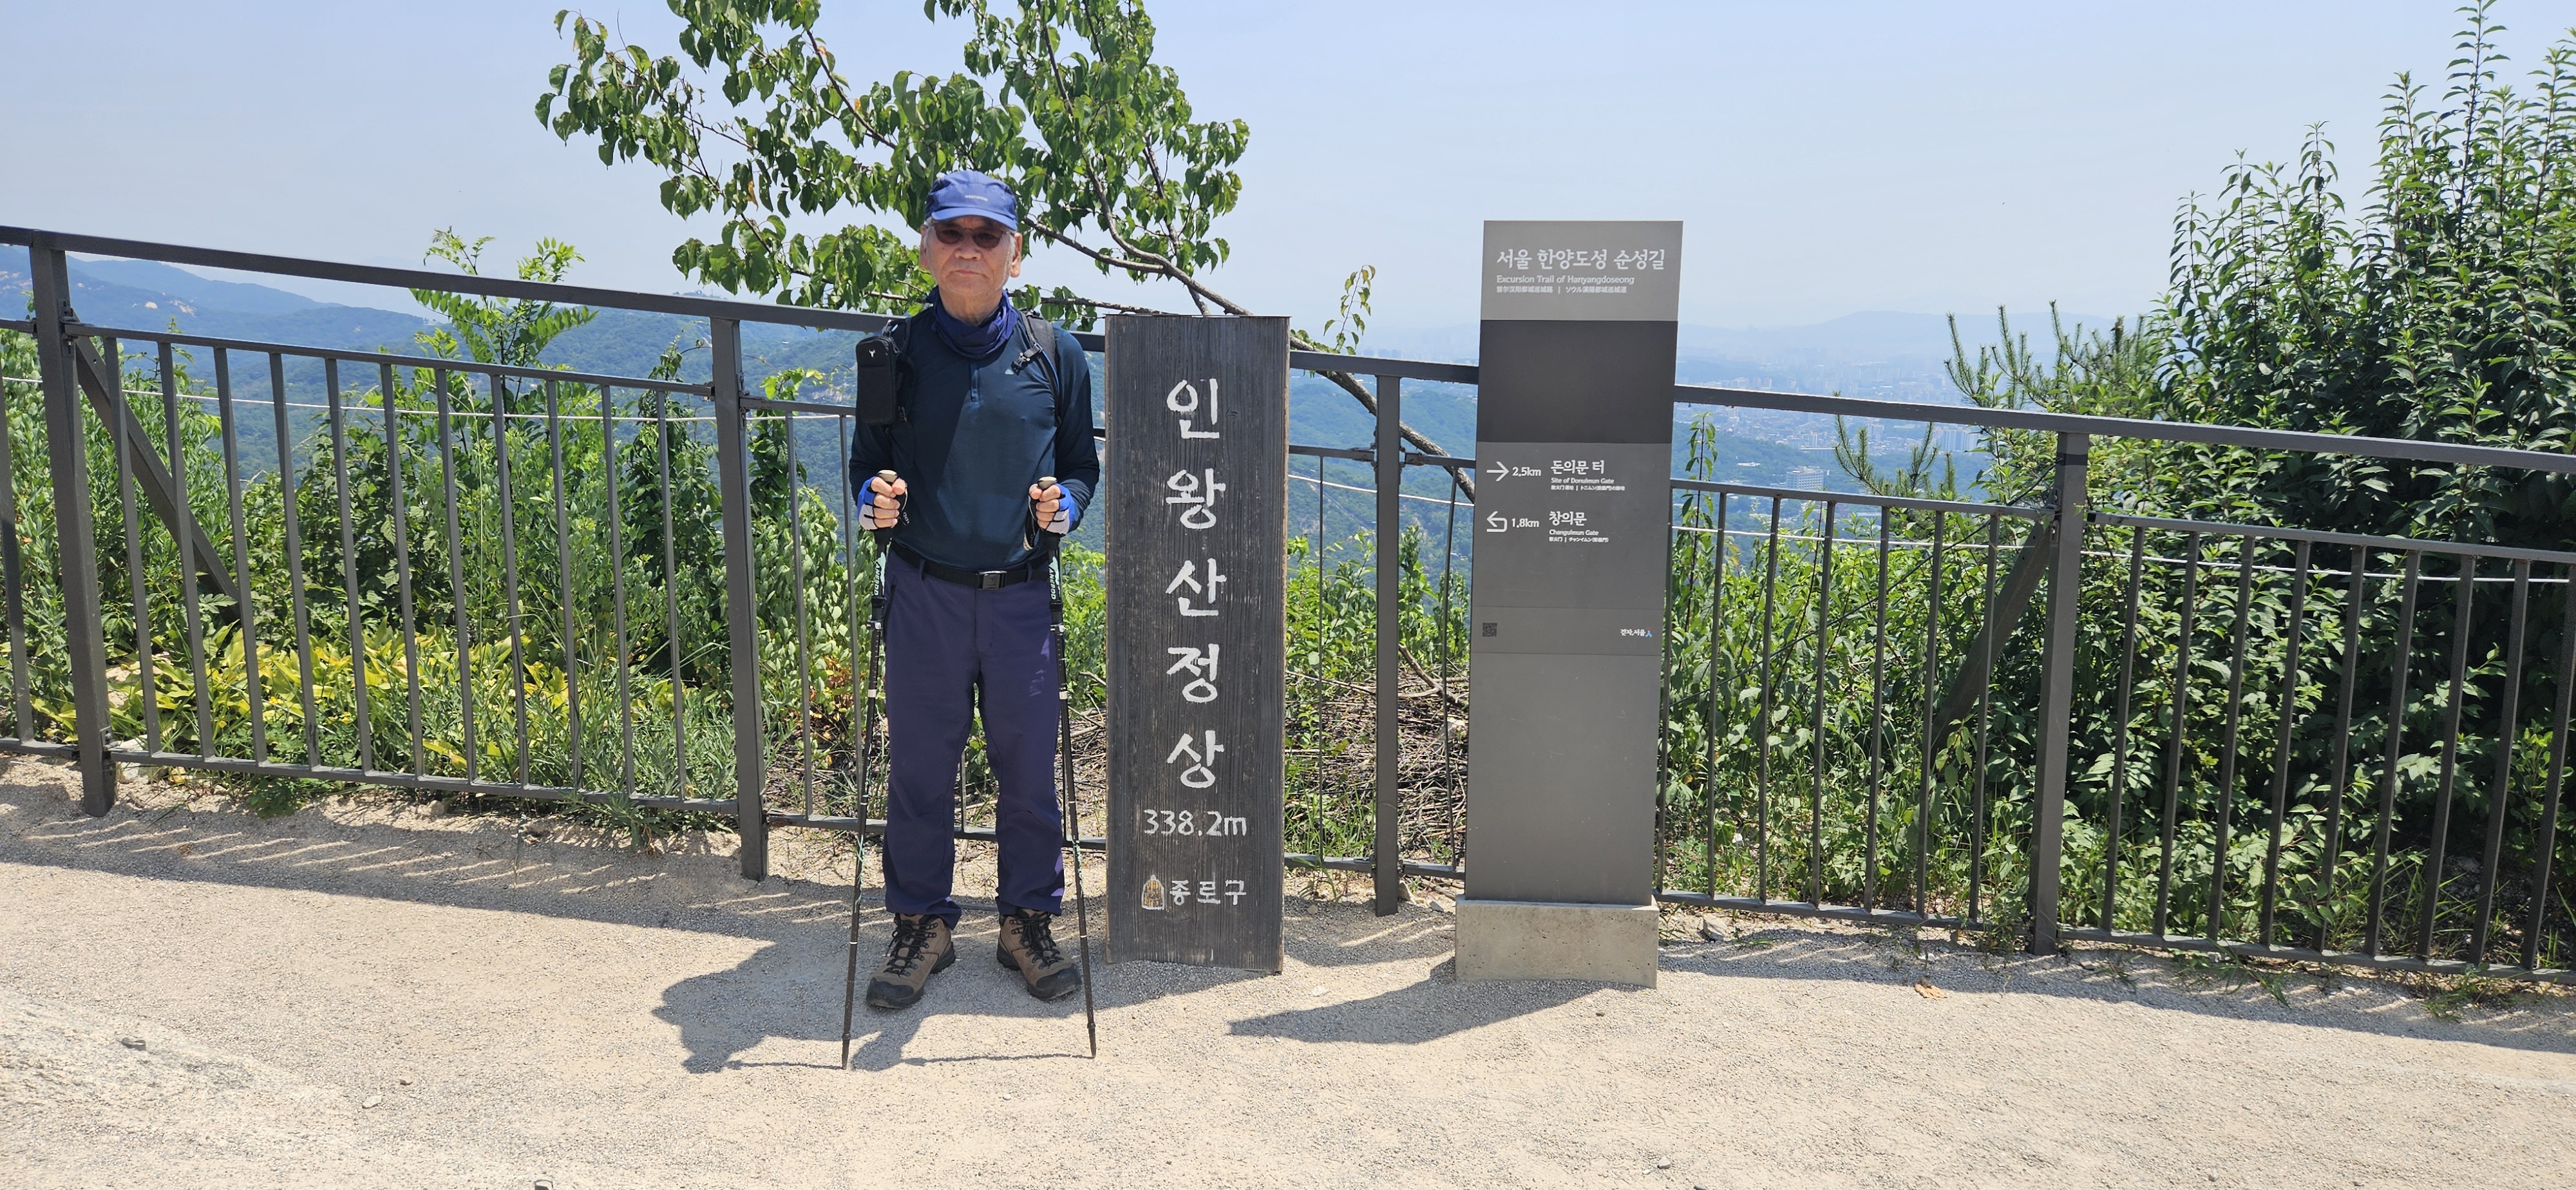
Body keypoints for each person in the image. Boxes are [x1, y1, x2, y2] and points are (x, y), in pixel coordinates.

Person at [848, 169, 1101, 1010]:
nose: (968, 248)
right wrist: (874, 500)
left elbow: (1081, 467)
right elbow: (866, 466)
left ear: (1014, 255)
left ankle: (1027, 919)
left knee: (1028, 769)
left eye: (986, 235)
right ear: (926, 249)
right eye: (951, 233)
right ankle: (922, 922)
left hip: (1023, 593)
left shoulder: (1056, 354)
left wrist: (1067, 506)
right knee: (920, 768)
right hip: (923, 590)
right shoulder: (893, 354)